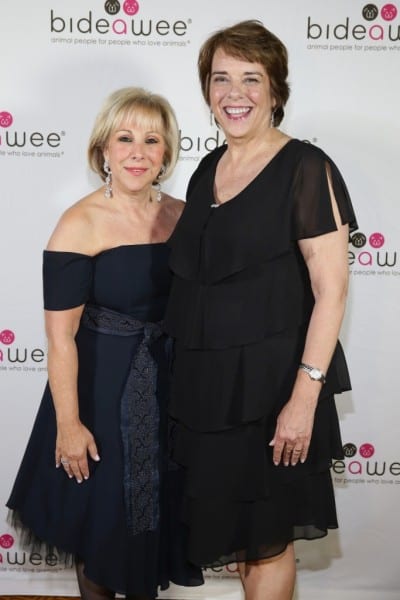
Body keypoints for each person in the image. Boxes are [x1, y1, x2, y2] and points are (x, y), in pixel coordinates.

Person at [164, 20, 358, 600]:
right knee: (243, 544)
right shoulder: (204, 171)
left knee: (269, 542)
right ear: (206, 91)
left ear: (276, 90)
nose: (235, 93)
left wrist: (305, 397)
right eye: (221, 78)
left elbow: (332, 292)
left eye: (252, 79)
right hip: (210, 393)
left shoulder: (306, 168)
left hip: (275, 391)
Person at [6, 87, 203, 599]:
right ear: (103, 151)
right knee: (103, 526)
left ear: (166, 154)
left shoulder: (185, 216)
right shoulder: (79, 222)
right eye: (125, 138)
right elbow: (60, 338)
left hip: (170, 390)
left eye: (152, 140)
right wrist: (69, 425)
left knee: (155, 517)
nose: (138, 151)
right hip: (98, 396)